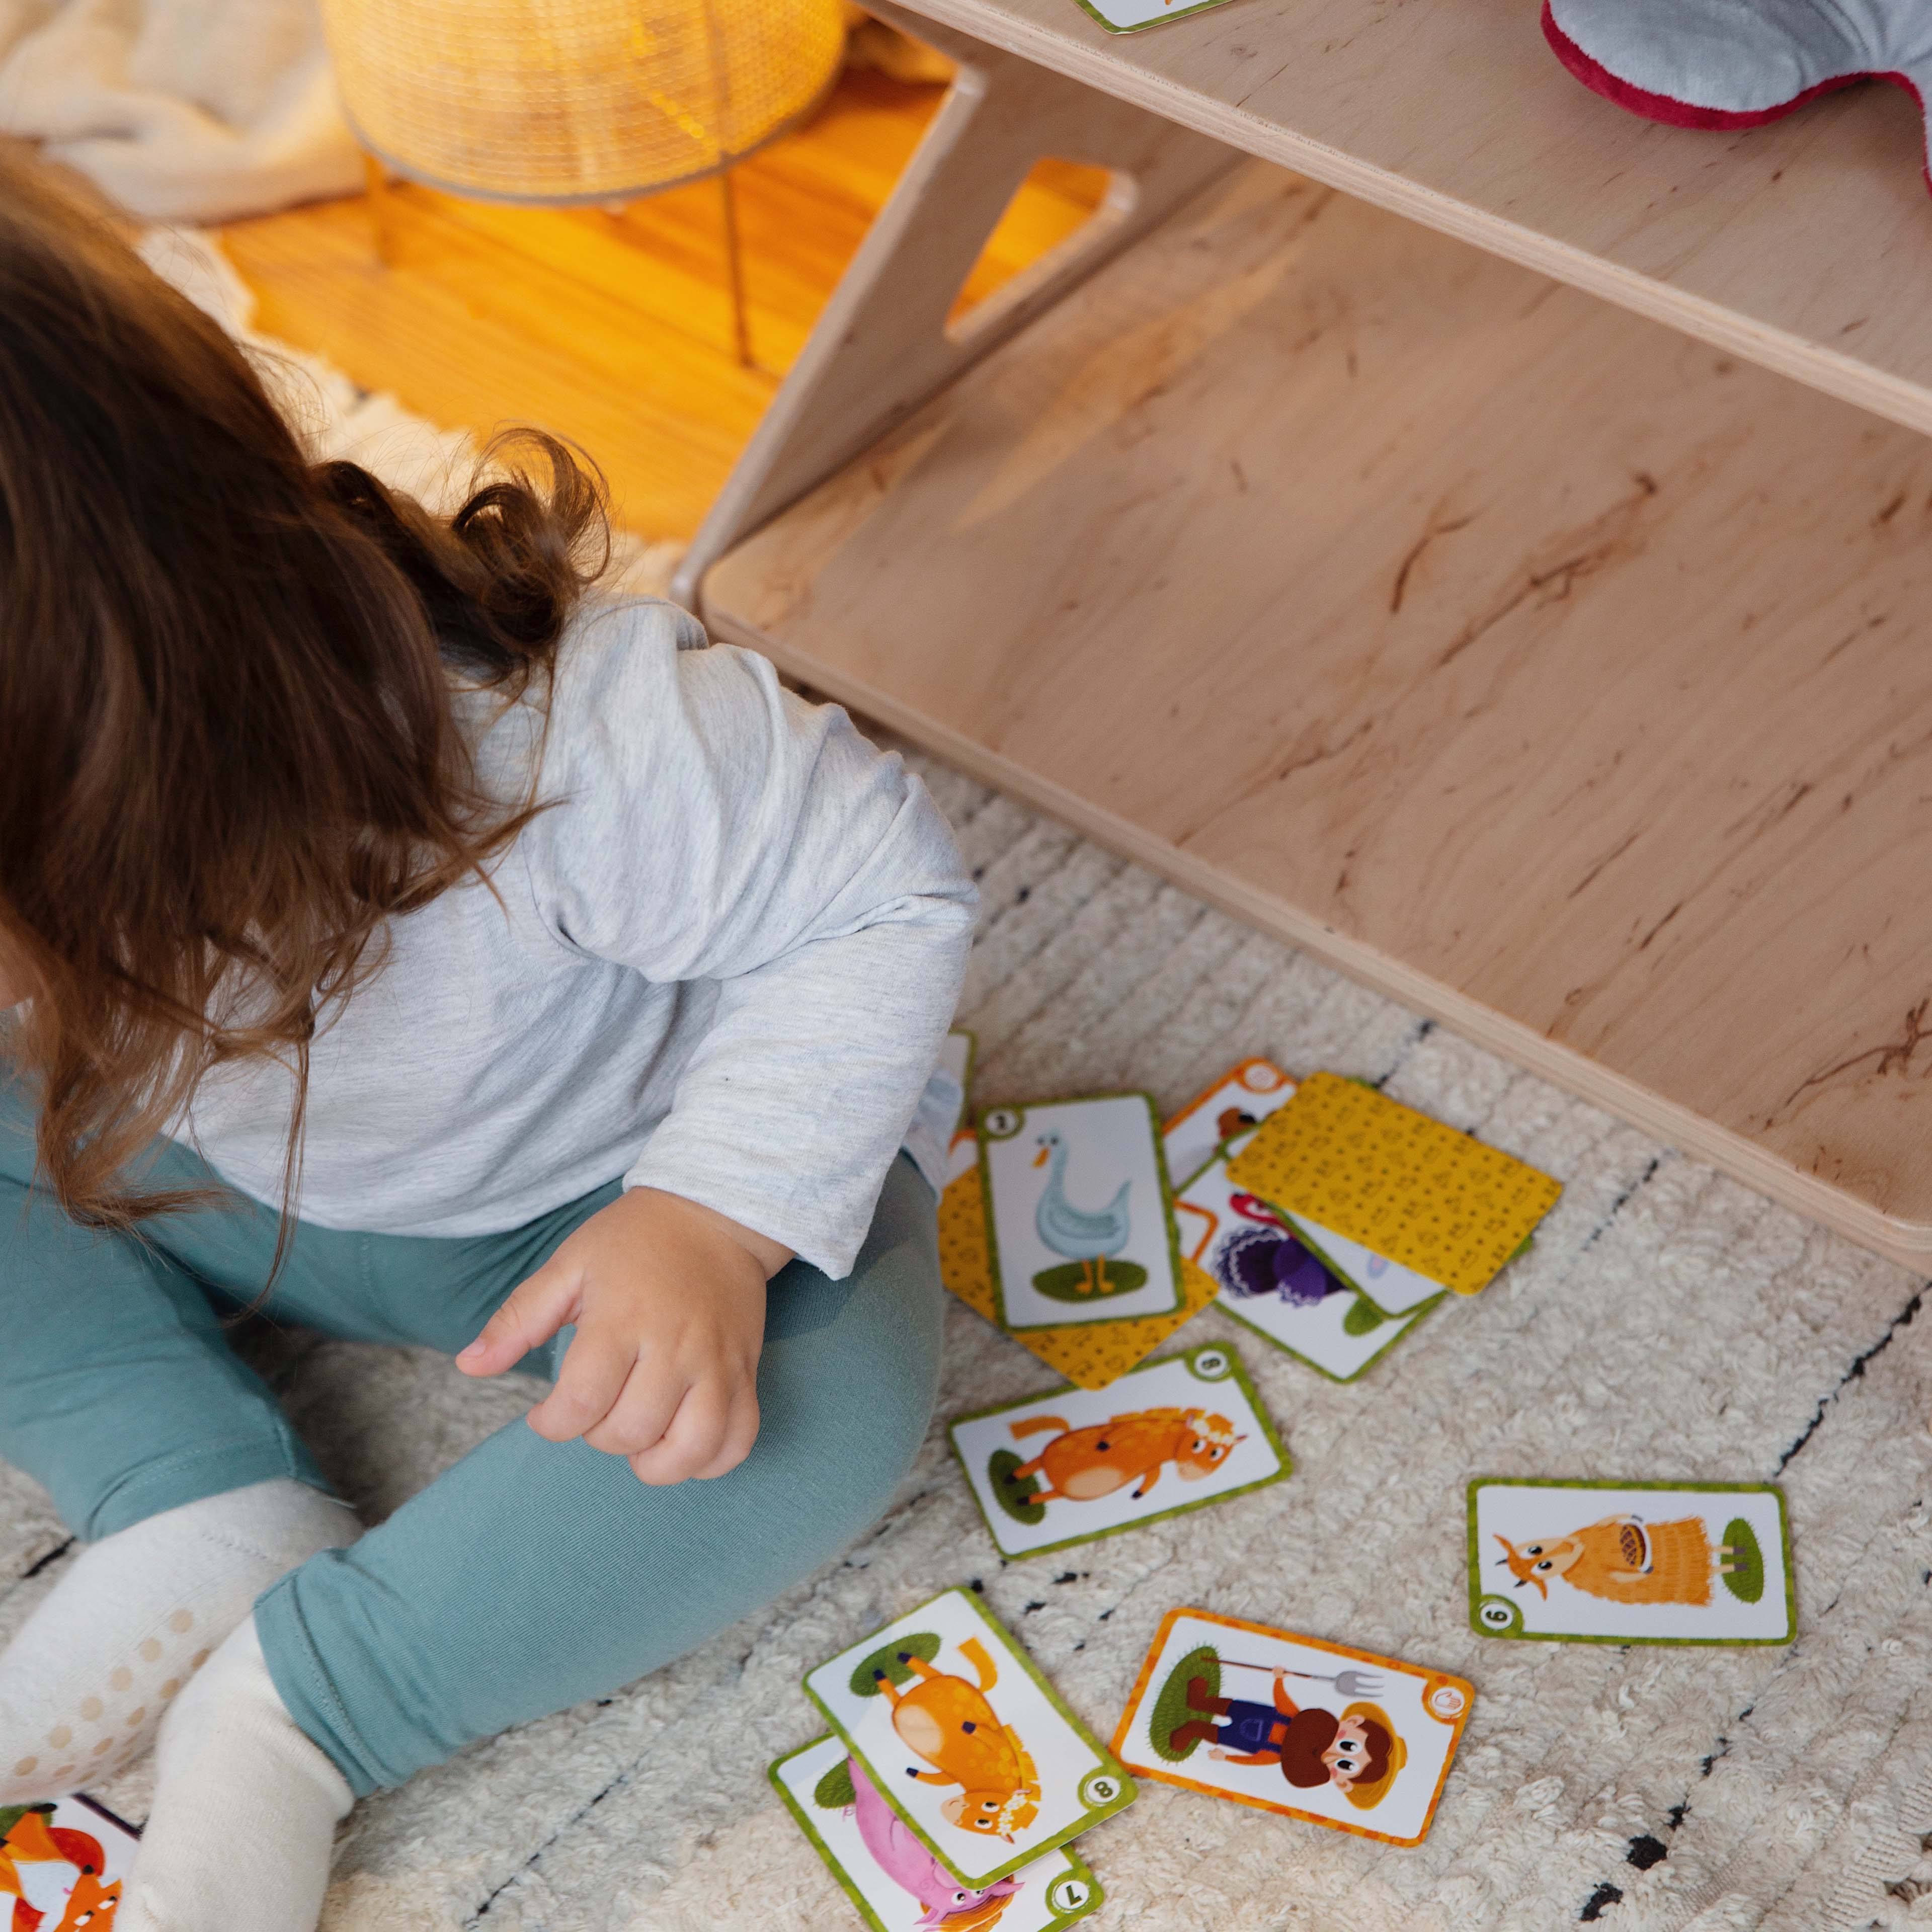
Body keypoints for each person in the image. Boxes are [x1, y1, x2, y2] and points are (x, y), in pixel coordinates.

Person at [0, 144, 977, 1931]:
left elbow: (879, 891)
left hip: (607, 1210)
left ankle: (300, 1702)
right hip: (250, 1174)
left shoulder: (550, 753)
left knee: (826, 1407)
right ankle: (185, 1486)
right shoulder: (79, 853)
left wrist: (712, 1213)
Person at [1169, 1670, 1402, 1807]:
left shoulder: (1278, 1756)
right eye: (1348, 1746)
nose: (1332, 1753)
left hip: (1244, 1741)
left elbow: (1255, 1761)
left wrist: (1226, 1757)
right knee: (1227, 1706)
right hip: (1255, 1713)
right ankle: (1198, 1701)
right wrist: (1279, 1680)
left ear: (1342, 1782)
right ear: (1352, 1722)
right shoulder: (1296, 1718)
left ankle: (1193, 1729)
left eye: (1345, 1764)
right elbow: (1283, 1701)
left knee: (1217, 1735)